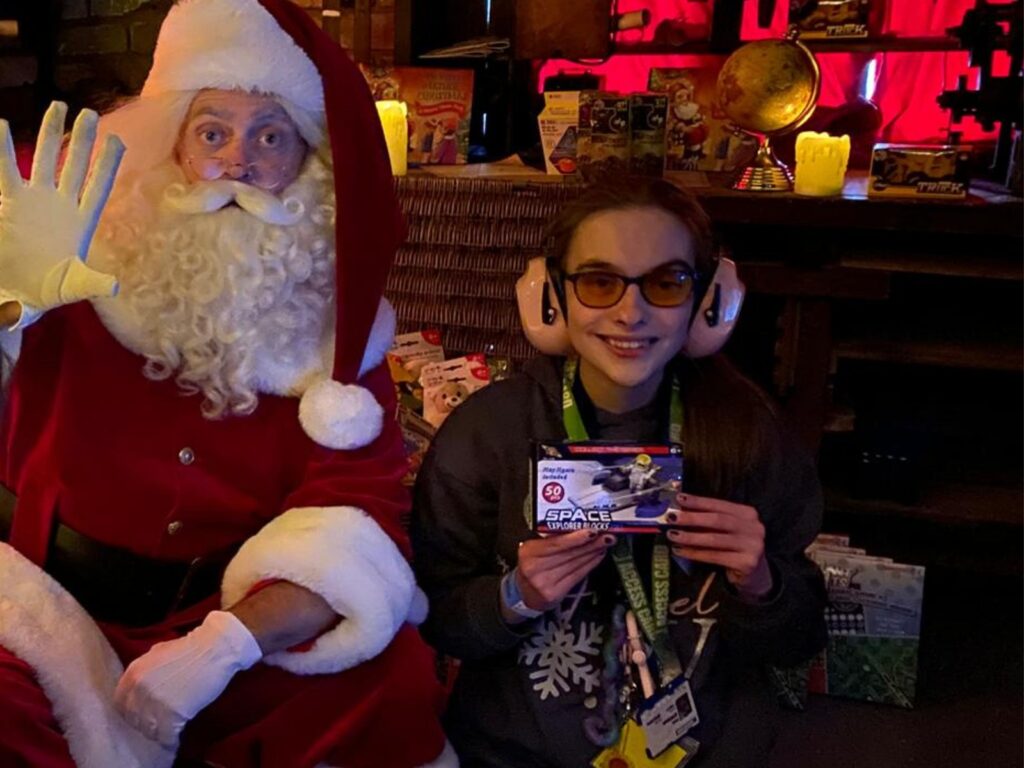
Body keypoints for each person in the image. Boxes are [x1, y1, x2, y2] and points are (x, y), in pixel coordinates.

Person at [0, 1, 455, 766]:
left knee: (390, 692)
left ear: (310, 164)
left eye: (270, 137)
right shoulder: (68, 267)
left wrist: (227, 644)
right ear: (173, 147)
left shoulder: (338, 339)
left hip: (231, 619)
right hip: (46, 601)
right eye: (212, 133)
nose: (237, 163)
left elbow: (358, 514)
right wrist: (7, 304)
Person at [411, 177, 827, 768]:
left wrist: (762, 584)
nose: (630, 314)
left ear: (709, 299)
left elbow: (801, 639)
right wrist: (513, 599)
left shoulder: (750, 431)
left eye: (666, 283)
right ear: (550, 294)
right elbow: (434, 620)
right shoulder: (486, 433)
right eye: (599, 282)